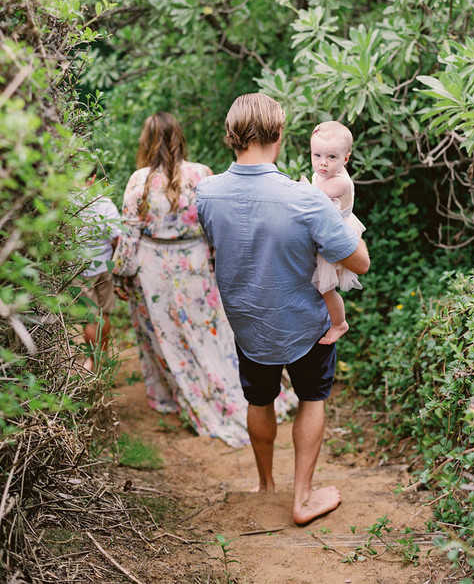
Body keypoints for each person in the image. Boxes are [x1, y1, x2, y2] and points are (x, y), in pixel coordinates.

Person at [196, 93, 370, 525]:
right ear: (279, 135)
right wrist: (346, 221)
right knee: (311, 398)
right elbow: (359, 262)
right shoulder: (305, 198)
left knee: (260, 398)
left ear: (232, 136)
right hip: (305, 324)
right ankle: (303, 497)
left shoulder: (207, 193)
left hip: (248, 323)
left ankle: (265, 485)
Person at [113, 112, 275, 447]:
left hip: (152, 268)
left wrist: (121, 274)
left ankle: (172, 397)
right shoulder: (201, 174)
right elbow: (217, 228)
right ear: (179, 138)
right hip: (197, 266)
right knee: (212, 332)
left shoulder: (138, 180)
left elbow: (129, 235)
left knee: (164, 336)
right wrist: (221, 265)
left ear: (146, 141)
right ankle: (235, 393)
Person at [309, 121, 366, 346]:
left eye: (332, 157)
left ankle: (339, 323)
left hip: (337, 234)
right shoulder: (324, 172)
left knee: (326, 288)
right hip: (326, 227)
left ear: (346, 159)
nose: (323, 162)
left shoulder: (339, 182)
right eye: (317, 155)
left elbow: (308, 196)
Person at [75, 166, 121, 372]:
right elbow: (117, 240)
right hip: (104, 267)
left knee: (91, 318)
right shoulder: (105, 204)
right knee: (104, 315)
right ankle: (101, 357)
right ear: (93, 178)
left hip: (81, 271)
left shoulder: (67, 205)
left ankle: (92, 361)